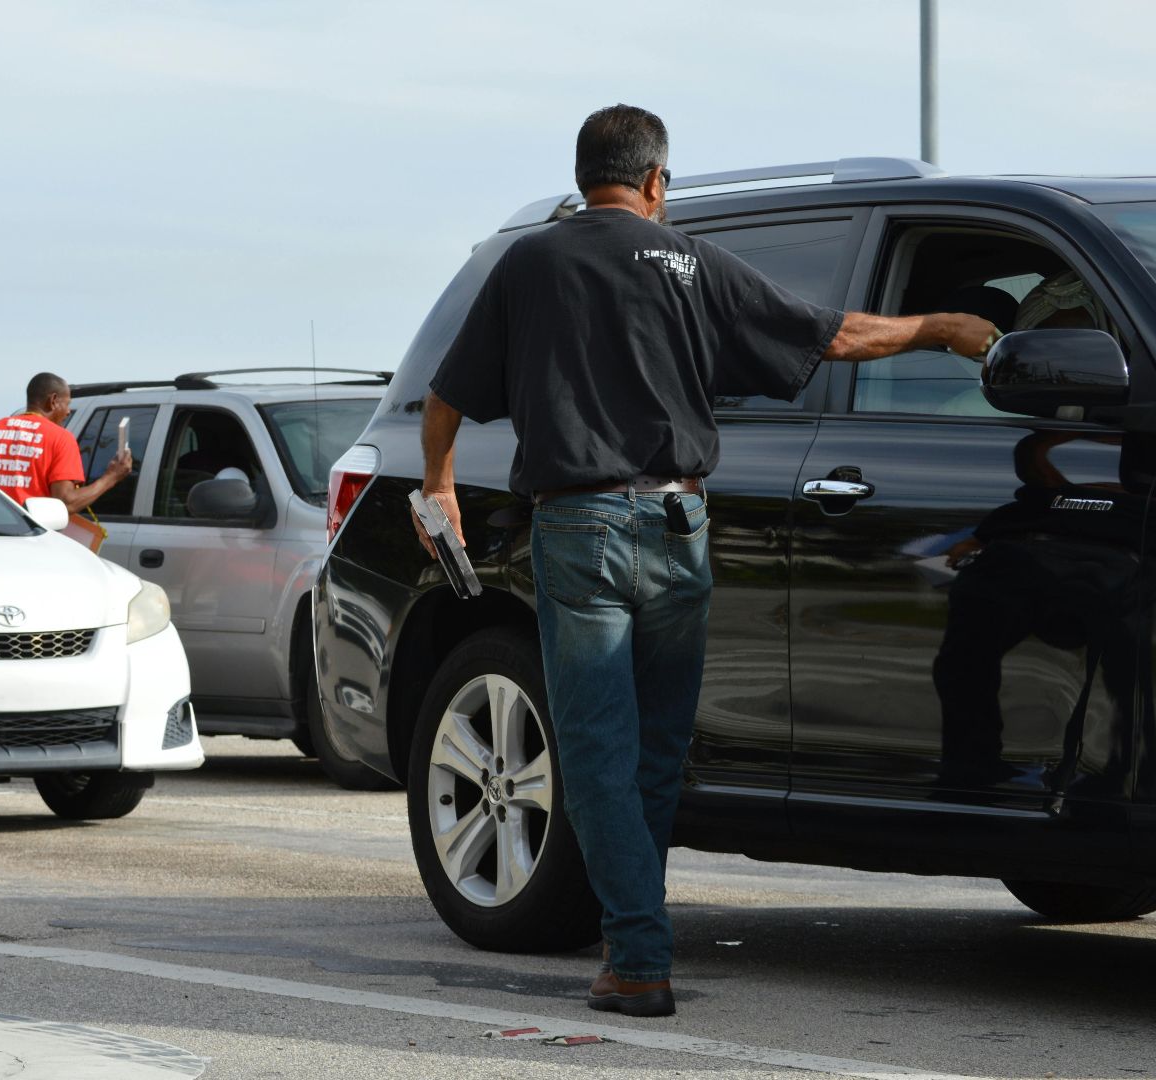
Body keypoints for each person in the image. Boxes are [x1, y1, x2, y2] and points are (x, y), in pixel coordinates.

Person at [413, 104, 999, 1019]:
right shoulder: (689, 262)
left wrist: (441, 489)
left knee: (597, 753)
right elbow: (836, 334)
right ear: (655, 183)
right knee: (655, 752)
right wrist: (946, 327)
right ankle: (631, 941)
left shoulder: (532, 260)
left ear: (586, 180)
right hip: (681, 524)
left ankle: (638, 955)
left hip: (580, 529)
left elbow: (444, 400)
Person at [0, 372, 132, 514]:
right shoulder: (60, 439)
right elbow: (65, 502)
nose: (68, 411)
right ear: (53, 400)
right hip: (31, 541)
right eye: (67, 404)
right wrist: (111, 477)